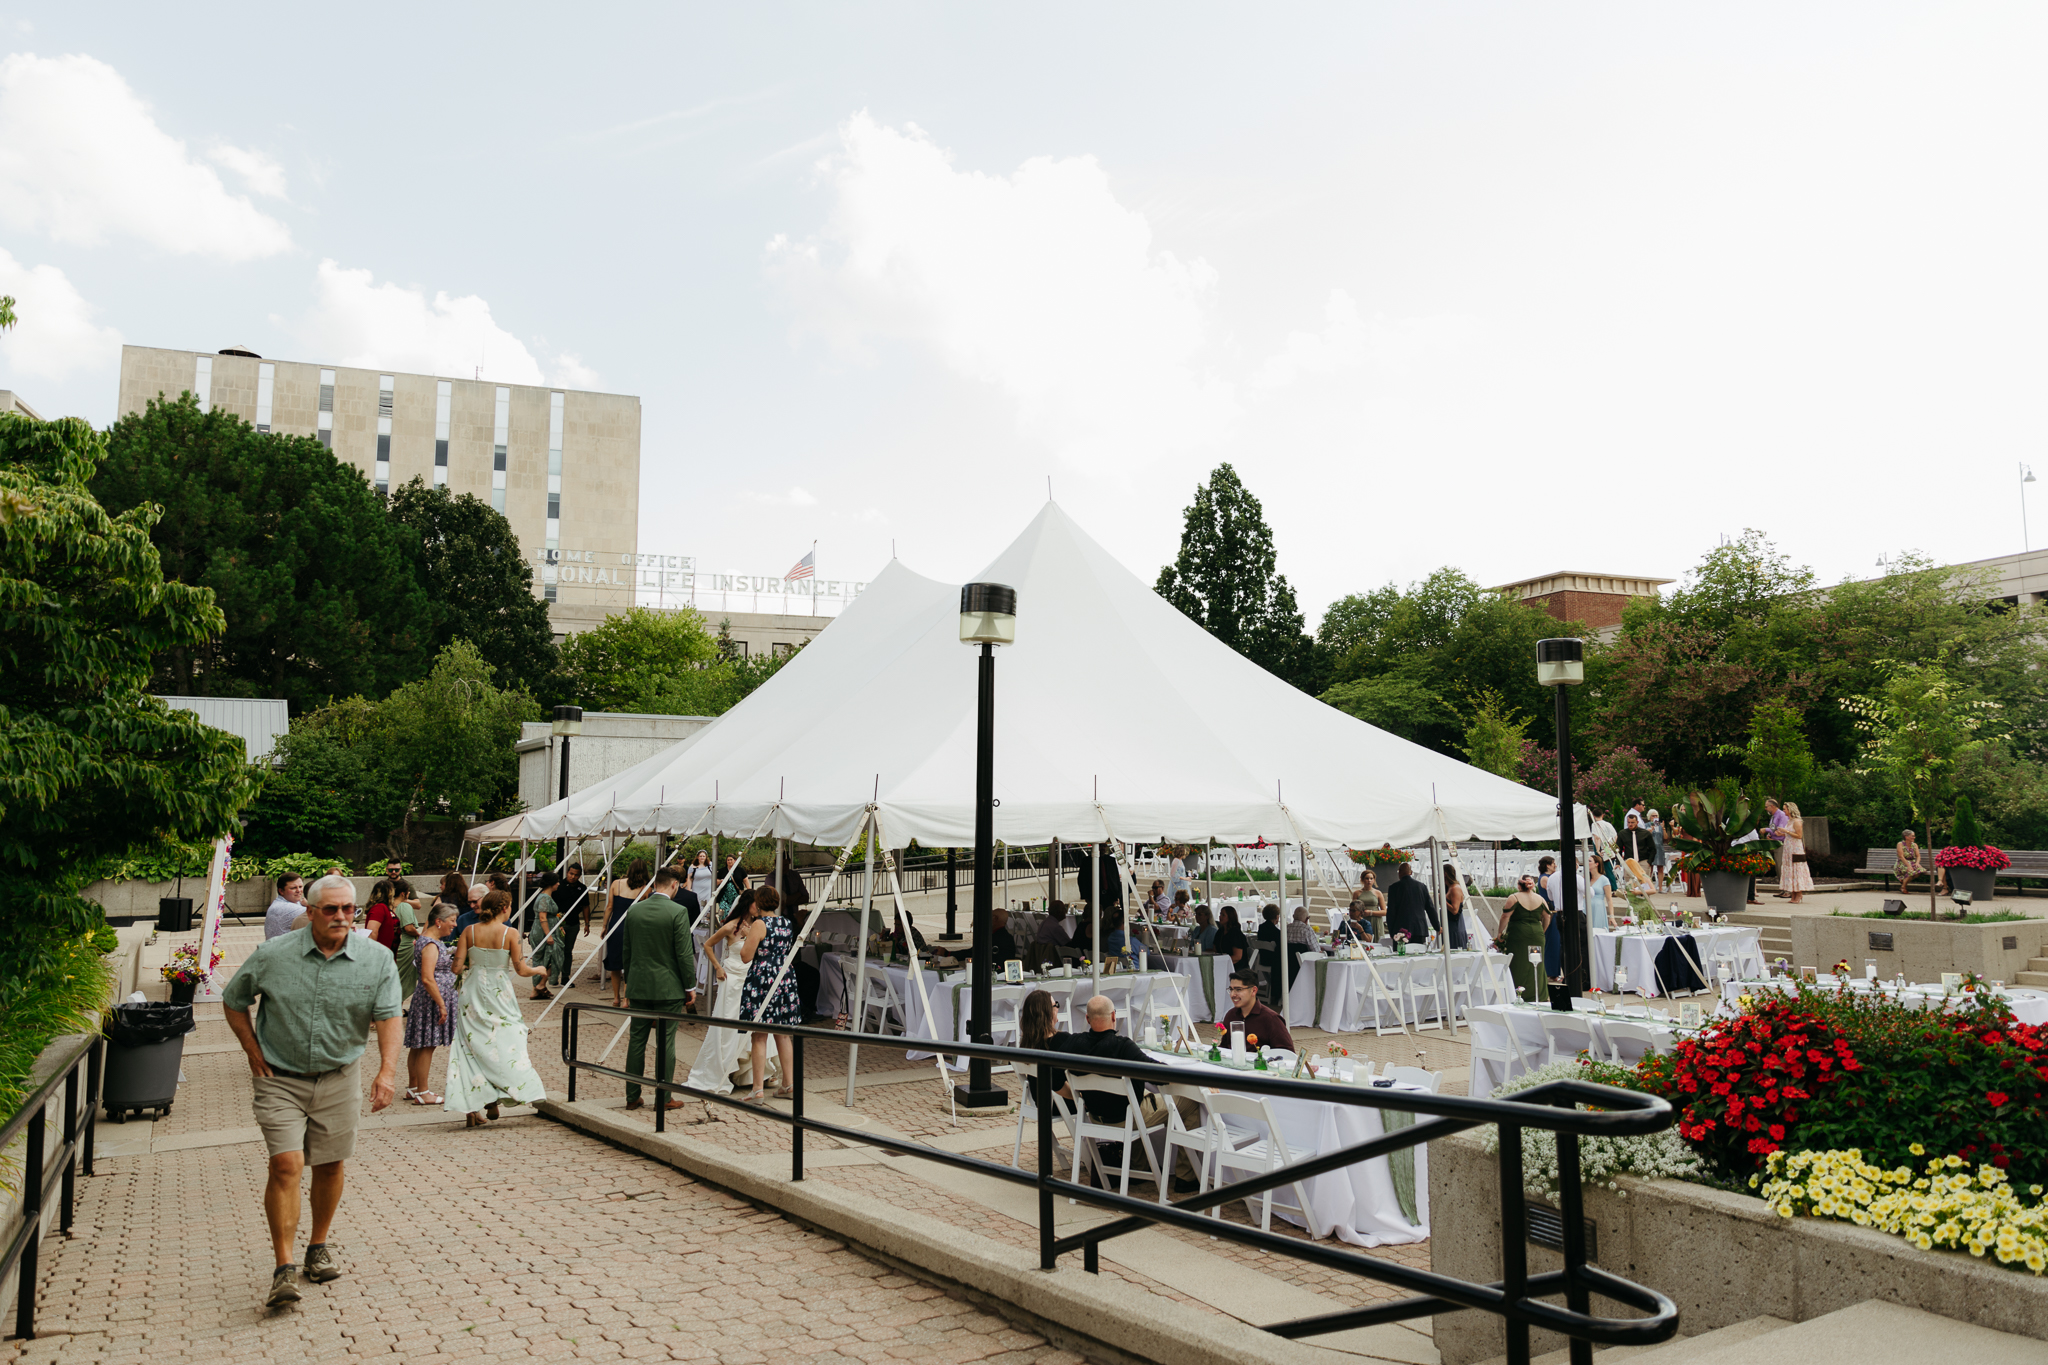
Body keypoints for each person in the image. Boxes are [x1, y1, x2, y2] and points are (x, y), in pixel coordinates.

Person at [221, 874, 402, 1309]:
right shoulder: (272, 955)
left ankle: (317, 1247)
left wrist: (387, 1073)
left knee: (329, 1164)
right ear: (311, 911)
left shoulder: (376, 959)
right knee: (286, 1164)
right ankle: (284, 1269)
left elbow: (389, 1017)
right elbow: (233, 999)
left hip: (339, 1076)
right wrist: (251, 1050)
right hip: (279, 1077)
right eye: (330, 909)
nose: (341, 917)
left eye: (348, 909)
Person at [1059, 994, 1205, 1193]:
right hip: (1125, 1117)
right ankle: (1186, 1176)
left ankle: (1140, 1167)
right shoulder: (1122, 1046)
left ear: (1087, 1019)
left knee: (1136, 1099)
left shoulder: (1073, 1044)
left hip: (1095, 1116)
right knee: (1188, 1102)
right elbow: (1158, 1075)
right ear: (1114, 1016)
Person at [444, 890, 549, 1128]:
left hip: (472, 993)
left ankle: (482, 1098)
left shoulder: (469, 931)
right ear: (505, 908)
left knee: (470, 1046)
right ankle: (511, 1089)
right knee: (509, 1040)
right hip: (499, 993)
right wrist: (539, 970)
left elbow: (456, 969)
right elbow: (521, 970)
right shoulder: (510, 933)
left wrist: (473, 960)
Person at [618, 866, 699, 1111]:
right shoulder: (678, 911)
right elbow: (684, 954)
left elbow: (627, 952)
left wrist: (628, 986)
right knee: (666, 1042)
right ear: (674, 885)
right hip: (668, 987)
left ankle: (632, 1095)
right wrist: (690, 986)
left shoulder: (634, 911)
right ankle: (663, 1098)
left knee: (636, 1041)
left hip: (639, 986)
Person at [687, 891, 757, 1097]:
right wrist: (718, 967)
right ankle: (724, 1067)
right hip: (732, 978)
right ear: (747, 904)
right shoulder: (730, 927)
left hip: (750, 978)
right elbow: (708, 945)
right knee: (728, 1024)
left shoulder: (757, 927)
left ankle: (749, 1073)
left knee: (752, 1024)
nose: (758, 908)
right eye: (756, 904)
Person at [738, 886, 801, 1103]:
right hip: (784, 977)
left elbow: (746, 956)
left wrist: (748, 937)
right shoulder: (786, 922)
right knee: (783, 1033)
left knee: (759, 1034)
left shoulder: (759, 924)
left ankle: (757, 1089)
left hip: (762, 979)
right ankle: (789, 1083)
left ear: (759, 902)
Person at [403, 902, 459, 1105]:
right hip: (431, 999)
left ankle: (414, 1087)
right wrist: (441, 1004)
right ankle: (423, 1091)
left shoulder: (428, 941)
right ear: (439, 921)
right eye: (451, 921)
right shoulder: (430, 944)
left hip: (428, 998)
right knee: (427, 1044)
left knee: (418, 1045)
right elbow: (427, 977)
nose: (454, 925)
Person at [602, 860, 653, 1006]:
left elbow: (609, 907)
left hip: (615, 927)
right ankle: (626, 998)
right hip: (633, 928)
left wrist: (604, 926)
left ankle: (616, 998)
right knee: (630, 963)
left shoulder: (616, 884)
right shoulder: (646, 888)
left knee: (615, 964)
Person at [1494, 876, 1550, 1006]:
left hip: (1518, 934)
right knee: (1537, 964)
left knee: (1518, 963)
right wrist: (1542, 930)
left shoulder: (1514, 898)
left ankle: (1518, 994)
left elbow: (1505, 916)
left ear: (1519, 885)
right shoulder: (1540, 899)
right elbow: (1547, 916)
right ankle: (1539, 995)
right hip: (1537, 933)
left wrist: (1499, 932)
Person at [1217, 970, 1293, 1054]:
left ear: (1253, 991)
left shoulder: (1271, 1018)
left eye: (1238, 989)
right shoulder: (1230, 1015)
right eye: (1231, 989)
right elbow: (1224, 1048)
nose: (1232, 994)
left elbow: (1287, 1053)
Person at [525, 871, 565, 1001]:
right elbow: (543, 917)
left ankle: (535, 990)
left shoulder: (544, 896)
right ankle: (540, 985)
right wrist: (549, 935)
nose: (559, 884)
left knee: (542, 959)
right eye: (557, 882)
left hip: (544, 929)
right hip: (544, 931)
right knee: (554, 957)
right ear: (551, 884)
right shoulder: (544, 898)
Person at [1383, 863, 1438, 945]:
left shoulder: (1394, 888)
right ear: (1411, 872)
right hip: (1419, 928)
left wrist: (1391, 931)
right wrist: (1437, 926)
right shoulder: (1422, 886)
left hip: (1401, 930)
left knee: (1401, 954)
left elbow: (1391, 911)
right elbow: (1430, 908)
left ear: (1399, 872)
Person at [1777, 801, 1814, 904]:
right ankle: (1793, 893)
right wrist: (1781, 833)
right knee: (1790, 869)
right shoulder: (1789, 821)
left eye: (1785, 809)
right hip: (1788, 848)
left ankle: (1799, 893)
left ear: (1790, 810)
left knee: (1796, 868)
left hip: (1795, 848)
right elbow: (1789, 835)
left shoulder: (1797, 821)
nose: (1783, 811)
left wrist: (1786, 831)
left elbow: (1799, 836)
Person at [263, 872, 307, 939]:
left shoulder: (280, 902)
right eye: (293, 888)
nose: (299, 890)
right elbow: (320, 912)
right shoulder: (285, 907)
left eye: (300, 887)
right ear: (281, 891)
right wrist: (308, 904)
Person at [1896, 827, 1938, 895]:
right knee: (1911, 871)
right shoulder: (1900, 844)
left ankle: (1903, 882)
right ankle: (1903, 887)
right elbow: (1901, 856)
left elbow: (1918, 856)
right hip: (1902, 863)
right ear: (1906, 837)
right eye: (1912, 836)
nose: (1914, 837)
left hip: (1912, 862)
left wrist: (1917, 863)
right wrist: (1908, 866)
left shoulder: (1914, 845)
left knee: (1920, 870)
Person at [1350, 871, 1388, 940]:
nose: (1369, 881)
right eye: (1367, 878)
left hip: (1375, 919)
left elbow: (1385, 911)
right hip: (1362, 919)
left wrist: (1371, 912)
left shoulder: (1378, 893)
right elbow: (1353, 908)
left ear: (1374, 880)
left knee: (1376, 940)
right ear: (1362, 879)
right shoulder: (1357, 893)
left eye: (1371, 878)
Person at [1442, 865, 1472, 948]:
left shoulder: (1455, 888)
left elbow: (1455, 910)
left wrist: (1443, 902)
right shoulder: (1448, 888)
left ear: (1445, 874)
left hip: (1455, 926)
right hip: (1448, 925)